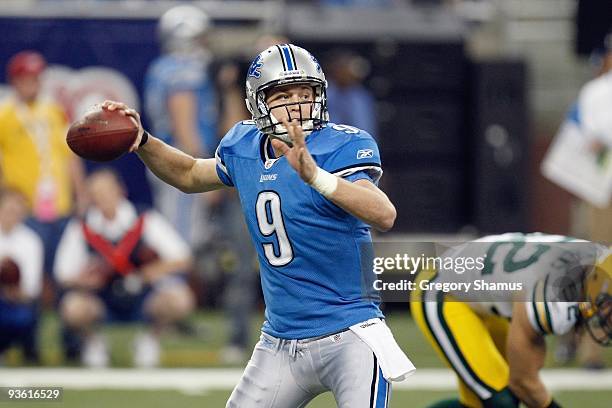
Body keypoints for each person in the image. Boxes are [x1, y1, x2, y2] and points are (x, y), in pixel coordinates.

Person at [103, 43, 414, 407]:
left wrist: (316, 176)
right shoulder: (244, 144)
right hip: (280, 341)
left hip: (351, 335)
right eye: (283, 95)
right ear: (258, 103)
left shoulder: (343, 144)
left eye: (305, 93)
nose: (297, 105)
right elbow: (188, 173)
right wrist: (142, 141)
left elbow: (383, 214)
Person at [409, 232, 611, 408]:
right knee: (501, 400)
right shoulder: (549, 297)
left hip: (485, 293)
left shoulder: (595, 259)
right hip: (443, 291)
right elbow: (524, 382)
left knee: (488, 401)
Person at [53, 169, 194, 368]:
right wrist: (86, 279)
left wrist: (148, 273)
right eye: (97, 195)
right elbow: (63, 273)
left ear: (120, 191)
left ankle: (149, 340)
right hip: (101, 298)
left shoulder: (144, 218)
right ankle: (93, 342)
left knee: (180, 300)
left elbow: (183, 257)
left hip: (142, 295)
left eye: (107, 192)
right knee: (73, 307)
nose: (103, 199)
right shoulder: (82, 227)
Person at [0, 50, 86, 277]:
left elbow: (70, 156)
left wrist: (81, 193)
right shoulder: (5, 114)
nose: (31, 84)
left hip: (60, 202)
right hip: (24, 203)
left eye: (36, 78)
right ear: (15, 81)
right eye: (26, 79)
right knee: (30, 265)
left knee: (60, 263)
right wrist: (6, 195)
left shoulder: (54, 111)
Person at [143, 4, 219, 248]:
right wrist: (204, 175)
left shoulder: (163, 67)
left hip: (169, 157)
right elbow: (184, 127)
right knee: (182, 237)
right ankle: (175, 285)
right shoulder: (183, 71)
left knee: (181, 232)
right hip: (182, 159)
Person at [0, 188, 44, 364]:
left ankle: (17, 349)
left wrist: (14, 291)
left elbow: (32, 288)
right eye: (8, 210)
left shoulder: (31, 241)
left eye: (17, 211)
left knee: (23, 317)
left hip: (16, 302)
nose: (12, 215)